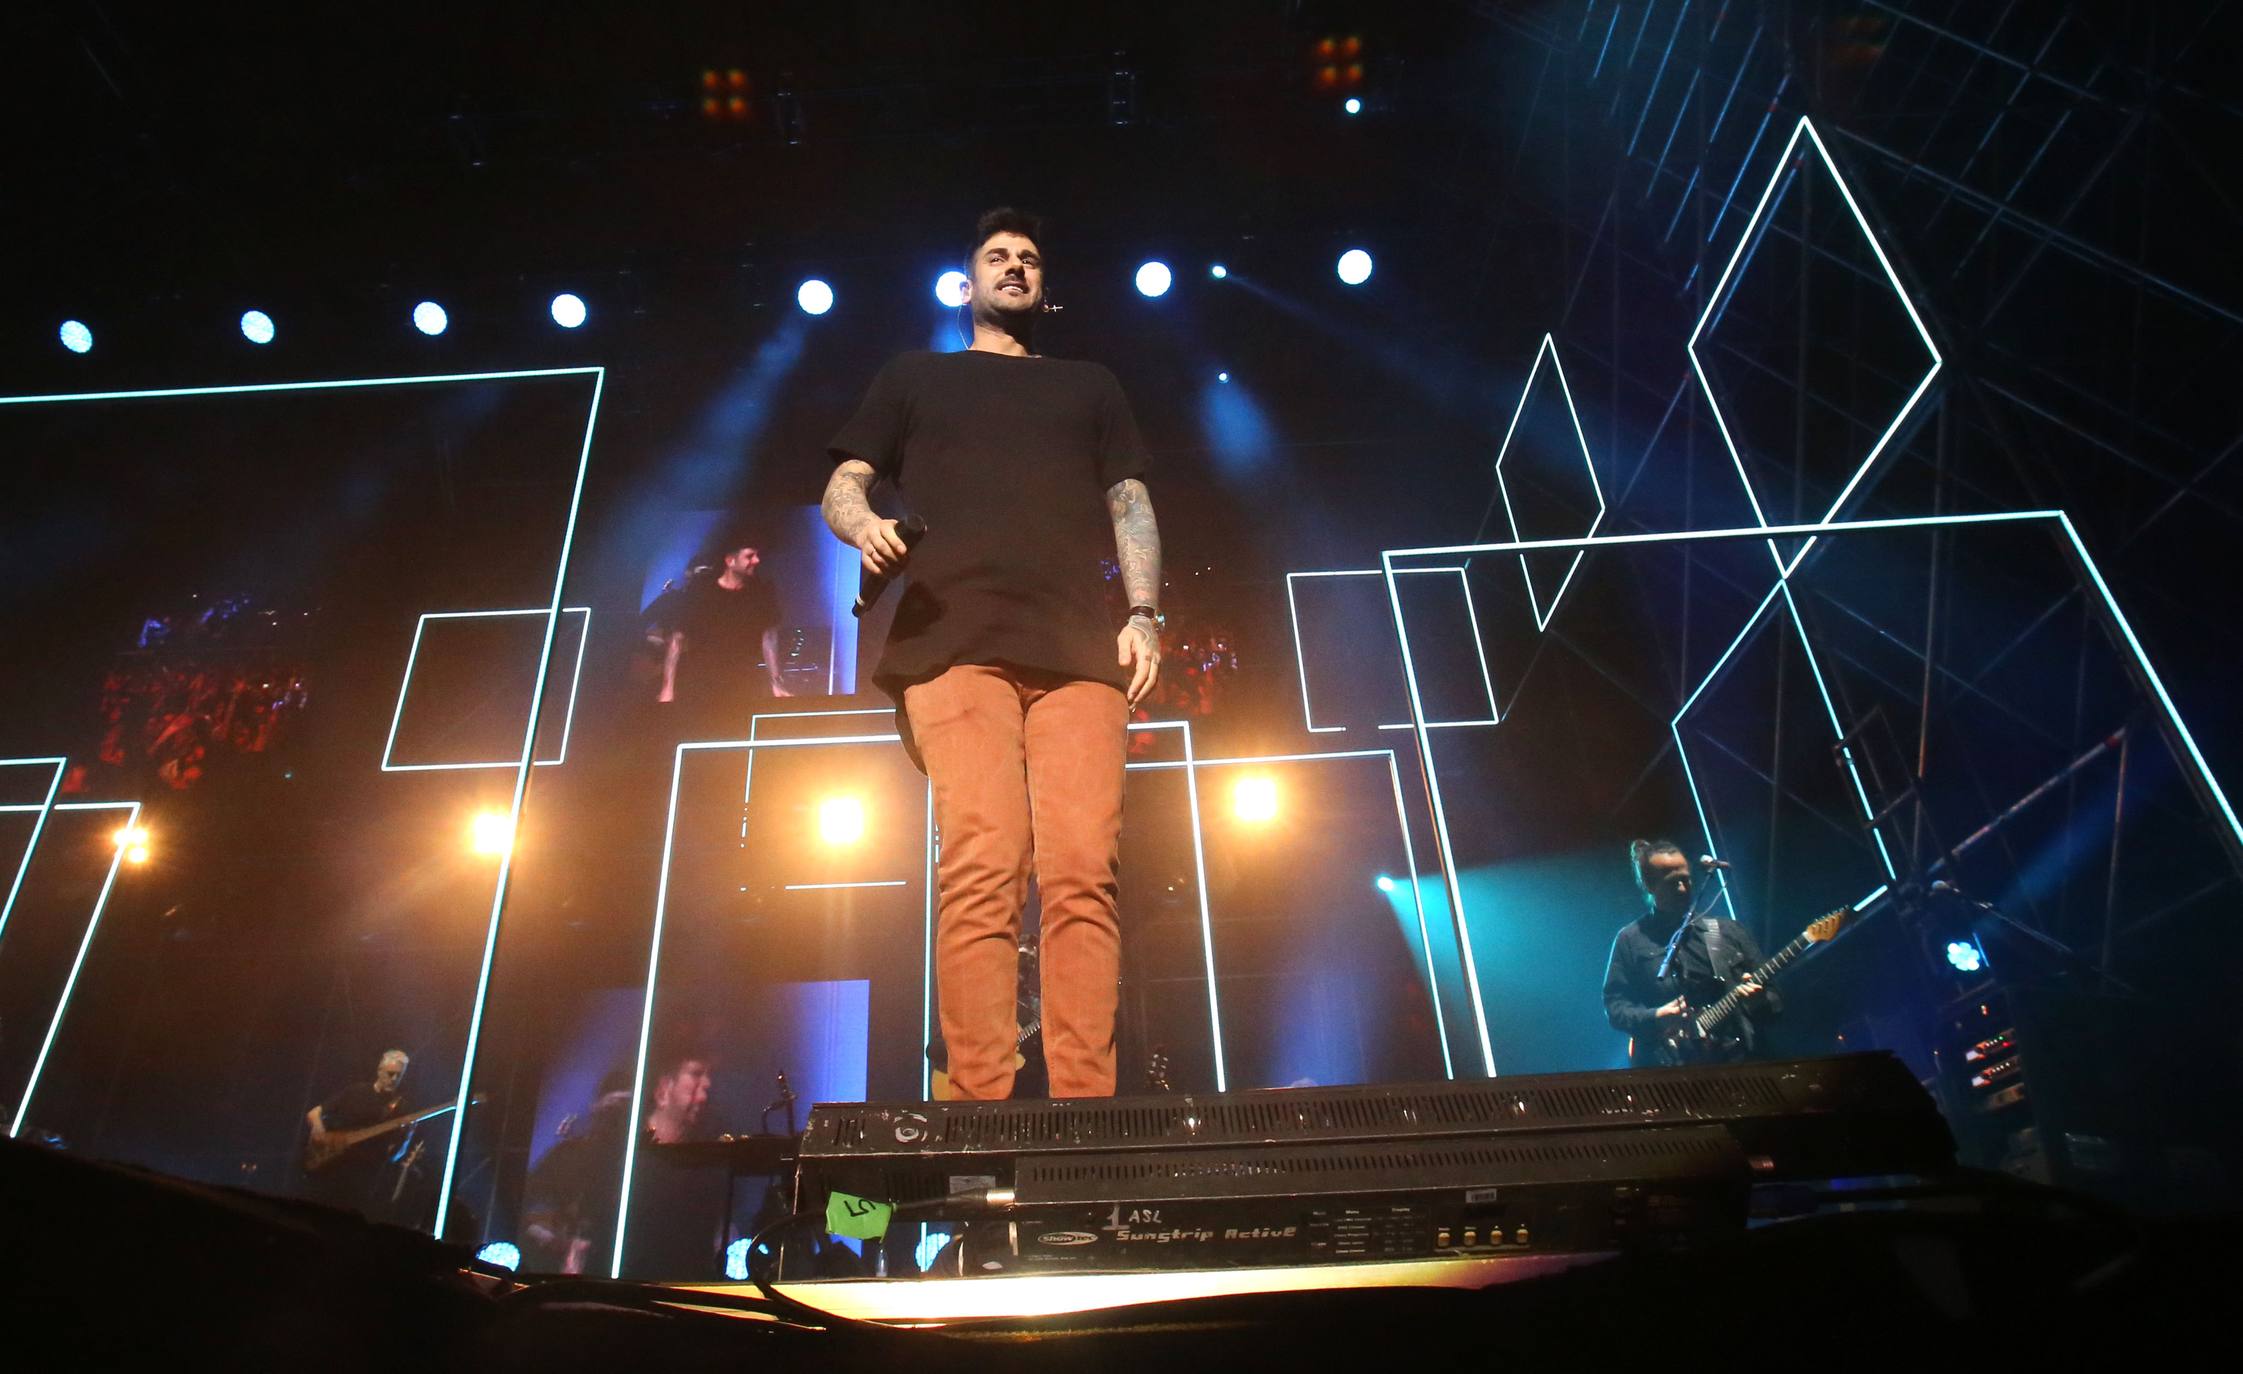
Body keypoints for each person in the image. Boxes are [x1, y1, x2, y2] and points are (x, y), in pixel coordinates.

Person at [822, 206, 1163, 1101]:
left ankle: (1085, 1113)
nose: (1014, 267)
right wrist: (864, 529)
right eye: (997, 256)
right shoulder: (914, 377)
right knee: (984, 860)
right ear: (968, 280)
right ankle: (980, 1108)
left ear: (1044, 288)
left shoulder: (1088, 385)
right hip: (954, 644)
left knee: (1084, 868)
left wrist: (1143, 610)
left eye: (1030, 260)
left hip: (1077, 653)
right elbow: (843, 485)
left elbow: (1129, 500)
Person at [1603, 840, 1778, 1064]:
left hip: (1741, 1061)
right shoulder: (1630, 939)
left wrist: (1760, 1000)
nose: (1683, 889)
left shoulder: (1729, 931)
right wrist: (1656, 1017)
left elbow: (1775, 999)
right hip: (1673, 1070)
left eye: (1686, 880)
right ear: (1649, 884)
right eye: (1672, 883)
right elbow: (1615, 1007)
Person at [657, 539, 791, 726]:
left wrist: (776, 684)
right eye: (749, 556)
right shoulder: (700, 593)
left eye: (757, 556)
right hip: (702, 682)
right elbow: (677, 639)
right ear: (730, 561)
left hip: (743, 683)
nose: (756, 560)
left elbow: (769, 638)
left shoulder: (760, 593)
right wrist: (667, 688)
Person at [303, 1049, 411, 1210]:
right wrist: (321, 1135)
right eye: (390, 1074)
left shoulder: (401, 1107)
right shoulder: (356, 1091)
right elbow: (314, 1113)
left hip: (362, 1181)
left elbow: (394, 1156)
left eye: (399, 1076)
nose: (394, 1079)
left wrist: (407, 1137)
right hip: (330, 1169)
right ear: (380, 1070)